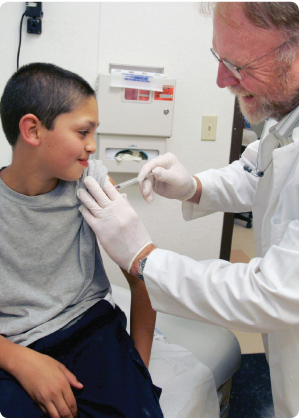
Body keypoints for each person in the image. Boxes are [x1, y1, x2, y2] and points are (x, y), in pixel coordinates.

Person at [77, 3, 299, 418]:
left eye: (237, 64)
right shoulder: (286, 115)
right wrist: (195, 186)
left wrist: (145, 259)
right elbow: (263, 173)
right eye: (219, 58)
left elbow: (274, 291)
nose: (221, 80)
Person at [0, 62, 163, 418]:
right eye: (83, 131)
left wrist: (137, 370)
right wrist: (20, 361)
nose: (92, 146)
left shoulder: (90, 183)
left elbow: (141, 280)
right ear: (32, 130)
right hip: (13, 346)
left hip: (91, 330)